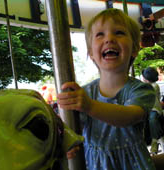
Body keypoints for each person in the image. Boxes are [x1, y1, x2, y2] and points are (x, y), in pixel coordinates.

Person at [57, 8, 156, 170]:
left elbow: (129, 116)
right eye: (100, 34)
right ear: (91, 53)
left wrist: (89, 106)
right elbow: (73, 132)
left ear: (135, 49)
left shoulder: (140, 90)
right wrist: (67, 146)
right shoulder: (86, 94)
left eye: (119, 33)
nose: (109, 39)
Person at [142, 67, 164, 154]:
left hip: (155, 110)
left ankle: (154, 141)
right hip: (148, 109)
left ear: (147, 77)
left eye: (143, 76)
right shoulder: (146, 86)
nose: (142, 78)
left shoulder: (154, 86)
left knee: (152, 119)